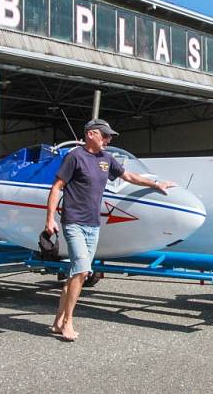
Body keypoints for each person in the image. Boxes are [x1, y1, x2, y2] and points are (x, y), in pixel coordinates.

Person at [44, 118, 175, 341]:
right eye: (105, 136)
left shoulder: (106, 158)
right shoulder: (74, 157)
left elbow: (128, 176)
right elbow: (57, 187)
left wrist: (156, 184)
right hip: (73, 221)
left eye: (110, 136)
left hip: (93, 225)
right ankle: (68, 322)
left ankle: (57, 321)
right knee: (82, 271)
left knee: (76, 272)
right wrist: (50, 219)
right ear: (91, 134)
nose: (108, 139)